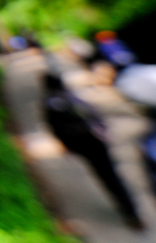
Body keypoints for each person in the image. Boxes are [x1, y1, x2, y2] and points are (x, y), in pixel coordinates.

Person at [42, 70, 144, 229]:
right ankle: (131, 209)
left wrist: (68, 147)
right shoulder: (72, 97)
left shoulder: (50, 103)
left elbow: (55, 129)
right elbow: (95, 115)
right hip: (97, 141)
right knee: (112, 174)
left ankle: (126, 208)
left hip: (83, 146)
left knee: (104, 175)